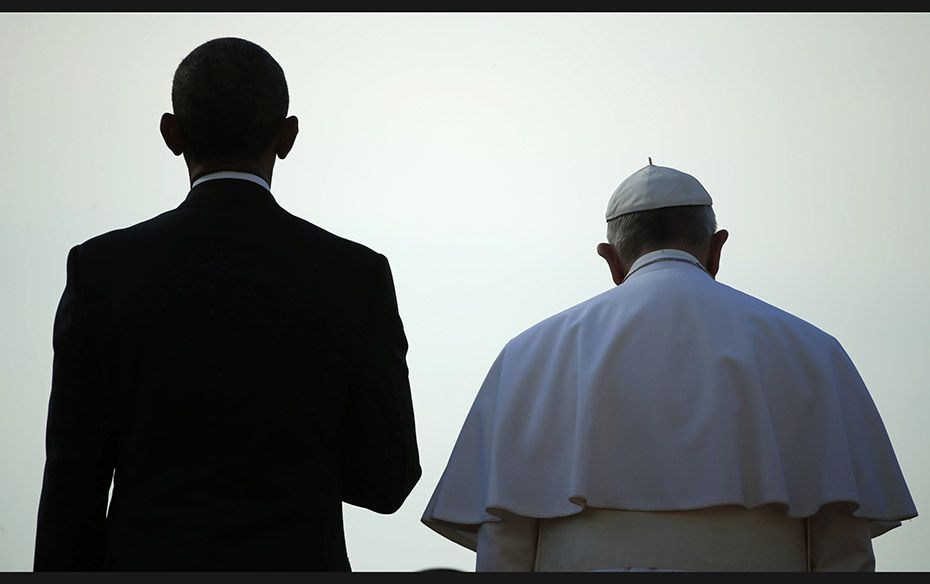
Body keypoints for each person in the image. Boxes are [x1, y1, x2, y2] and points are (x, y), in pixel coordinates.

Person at [34, 37, 421, 571]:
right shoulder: (355, 277)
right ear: (287, 137)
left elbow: (71, 492)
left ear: (172, 134)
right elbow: (389, 479)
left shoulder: (102, 270)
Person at [421, 160, 917, 571]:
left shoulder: (529, 354)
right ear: (717, 248)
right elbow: (843, 540)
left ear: (610, 259)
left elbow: (504, 538)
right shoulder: (811, 349)